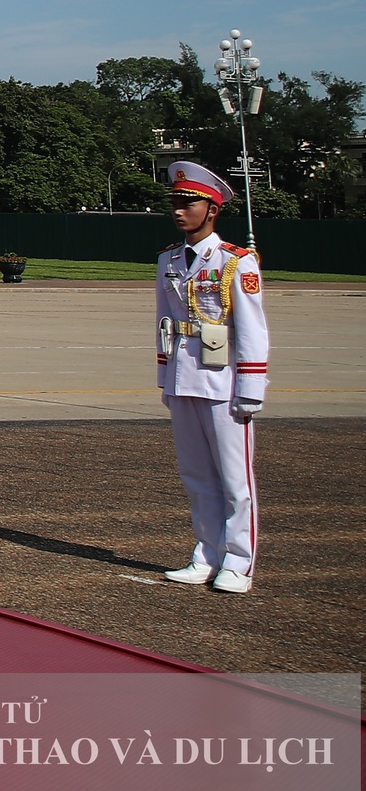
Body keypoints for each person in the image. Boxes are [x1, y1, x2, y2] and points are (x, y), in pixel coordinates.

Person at [155, 160, 269, 594]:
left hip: (225, 381)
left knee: (235, 479)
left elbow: (252, 329)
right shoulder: (168, 259)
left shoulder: (236, 262)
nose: (179, 211)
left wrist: (251, 387)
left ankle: (238, 562)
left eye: (188, 203)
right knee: (197, 476)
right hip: (184, 376)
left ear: (212, 209)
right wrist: (165, 377)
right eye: (175, 203)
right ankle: (206, 555)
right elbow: (165, 321)